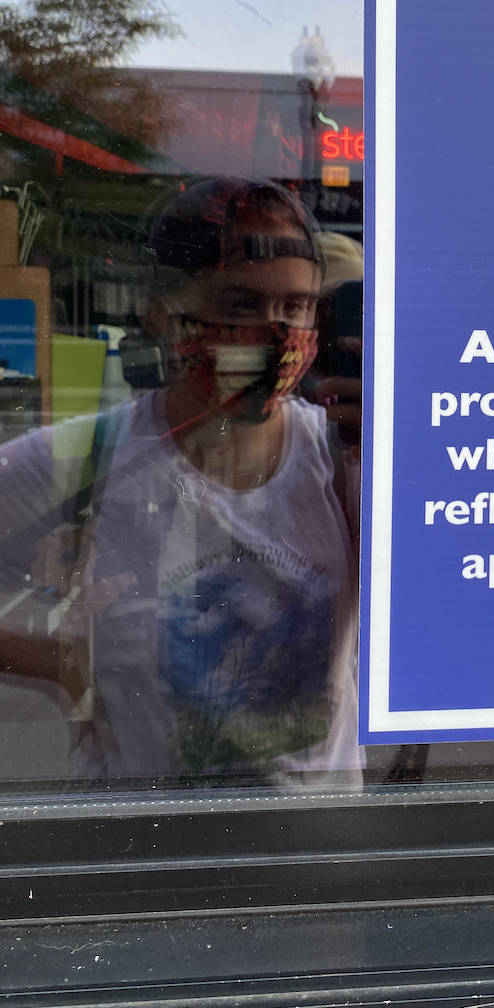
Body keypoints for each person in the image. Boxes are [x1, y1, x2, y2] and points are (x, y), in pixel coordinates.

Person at [0, 177, 361, 783]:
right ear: (160, 312)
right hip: (147, 827)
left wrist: (406, 454)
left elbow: (444, 605)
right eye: (240, 304)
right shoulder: (90, 456)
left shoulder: (339, 455)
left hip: (316, 830)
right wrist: (65, 664)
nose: (275, 334)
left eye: (295, 307)